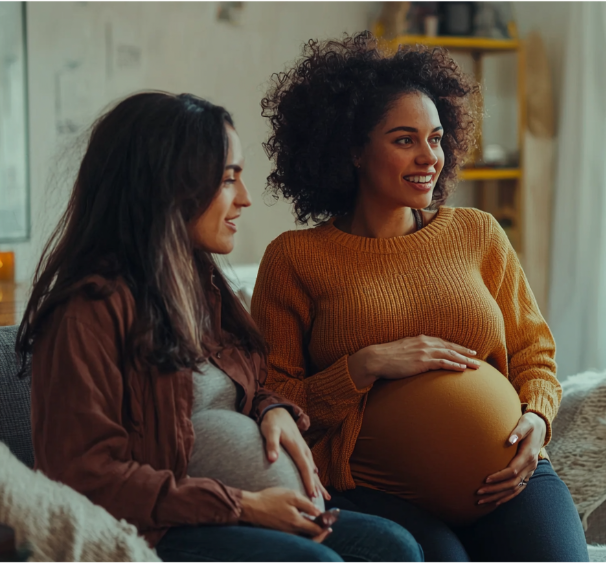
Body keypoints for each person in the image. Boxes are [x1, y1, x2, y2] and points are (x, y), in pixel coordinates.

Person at [16, 92, 422, 563]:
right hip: (150, 530)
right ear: (168, 184)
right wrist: (244, 505)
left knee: (396, 548)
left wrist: (272, 409)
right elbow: (84, 476)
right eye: (229, 179)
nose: (245, 198)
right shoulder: (87, 312)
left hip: (240, 513)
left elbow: (251, 381)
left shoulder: (200, 285)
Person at [252, 32, 589, 563]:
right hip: (379, 489)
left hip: (510, 478)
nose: (429, 157)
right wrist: (363, 366)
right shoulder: (294, 258)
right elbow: (272, 395)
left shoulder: (477, 232)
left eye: (435, 138)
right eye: (405, 139)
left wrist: (537, 420)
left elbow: (534, 353)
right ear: (354, 150)